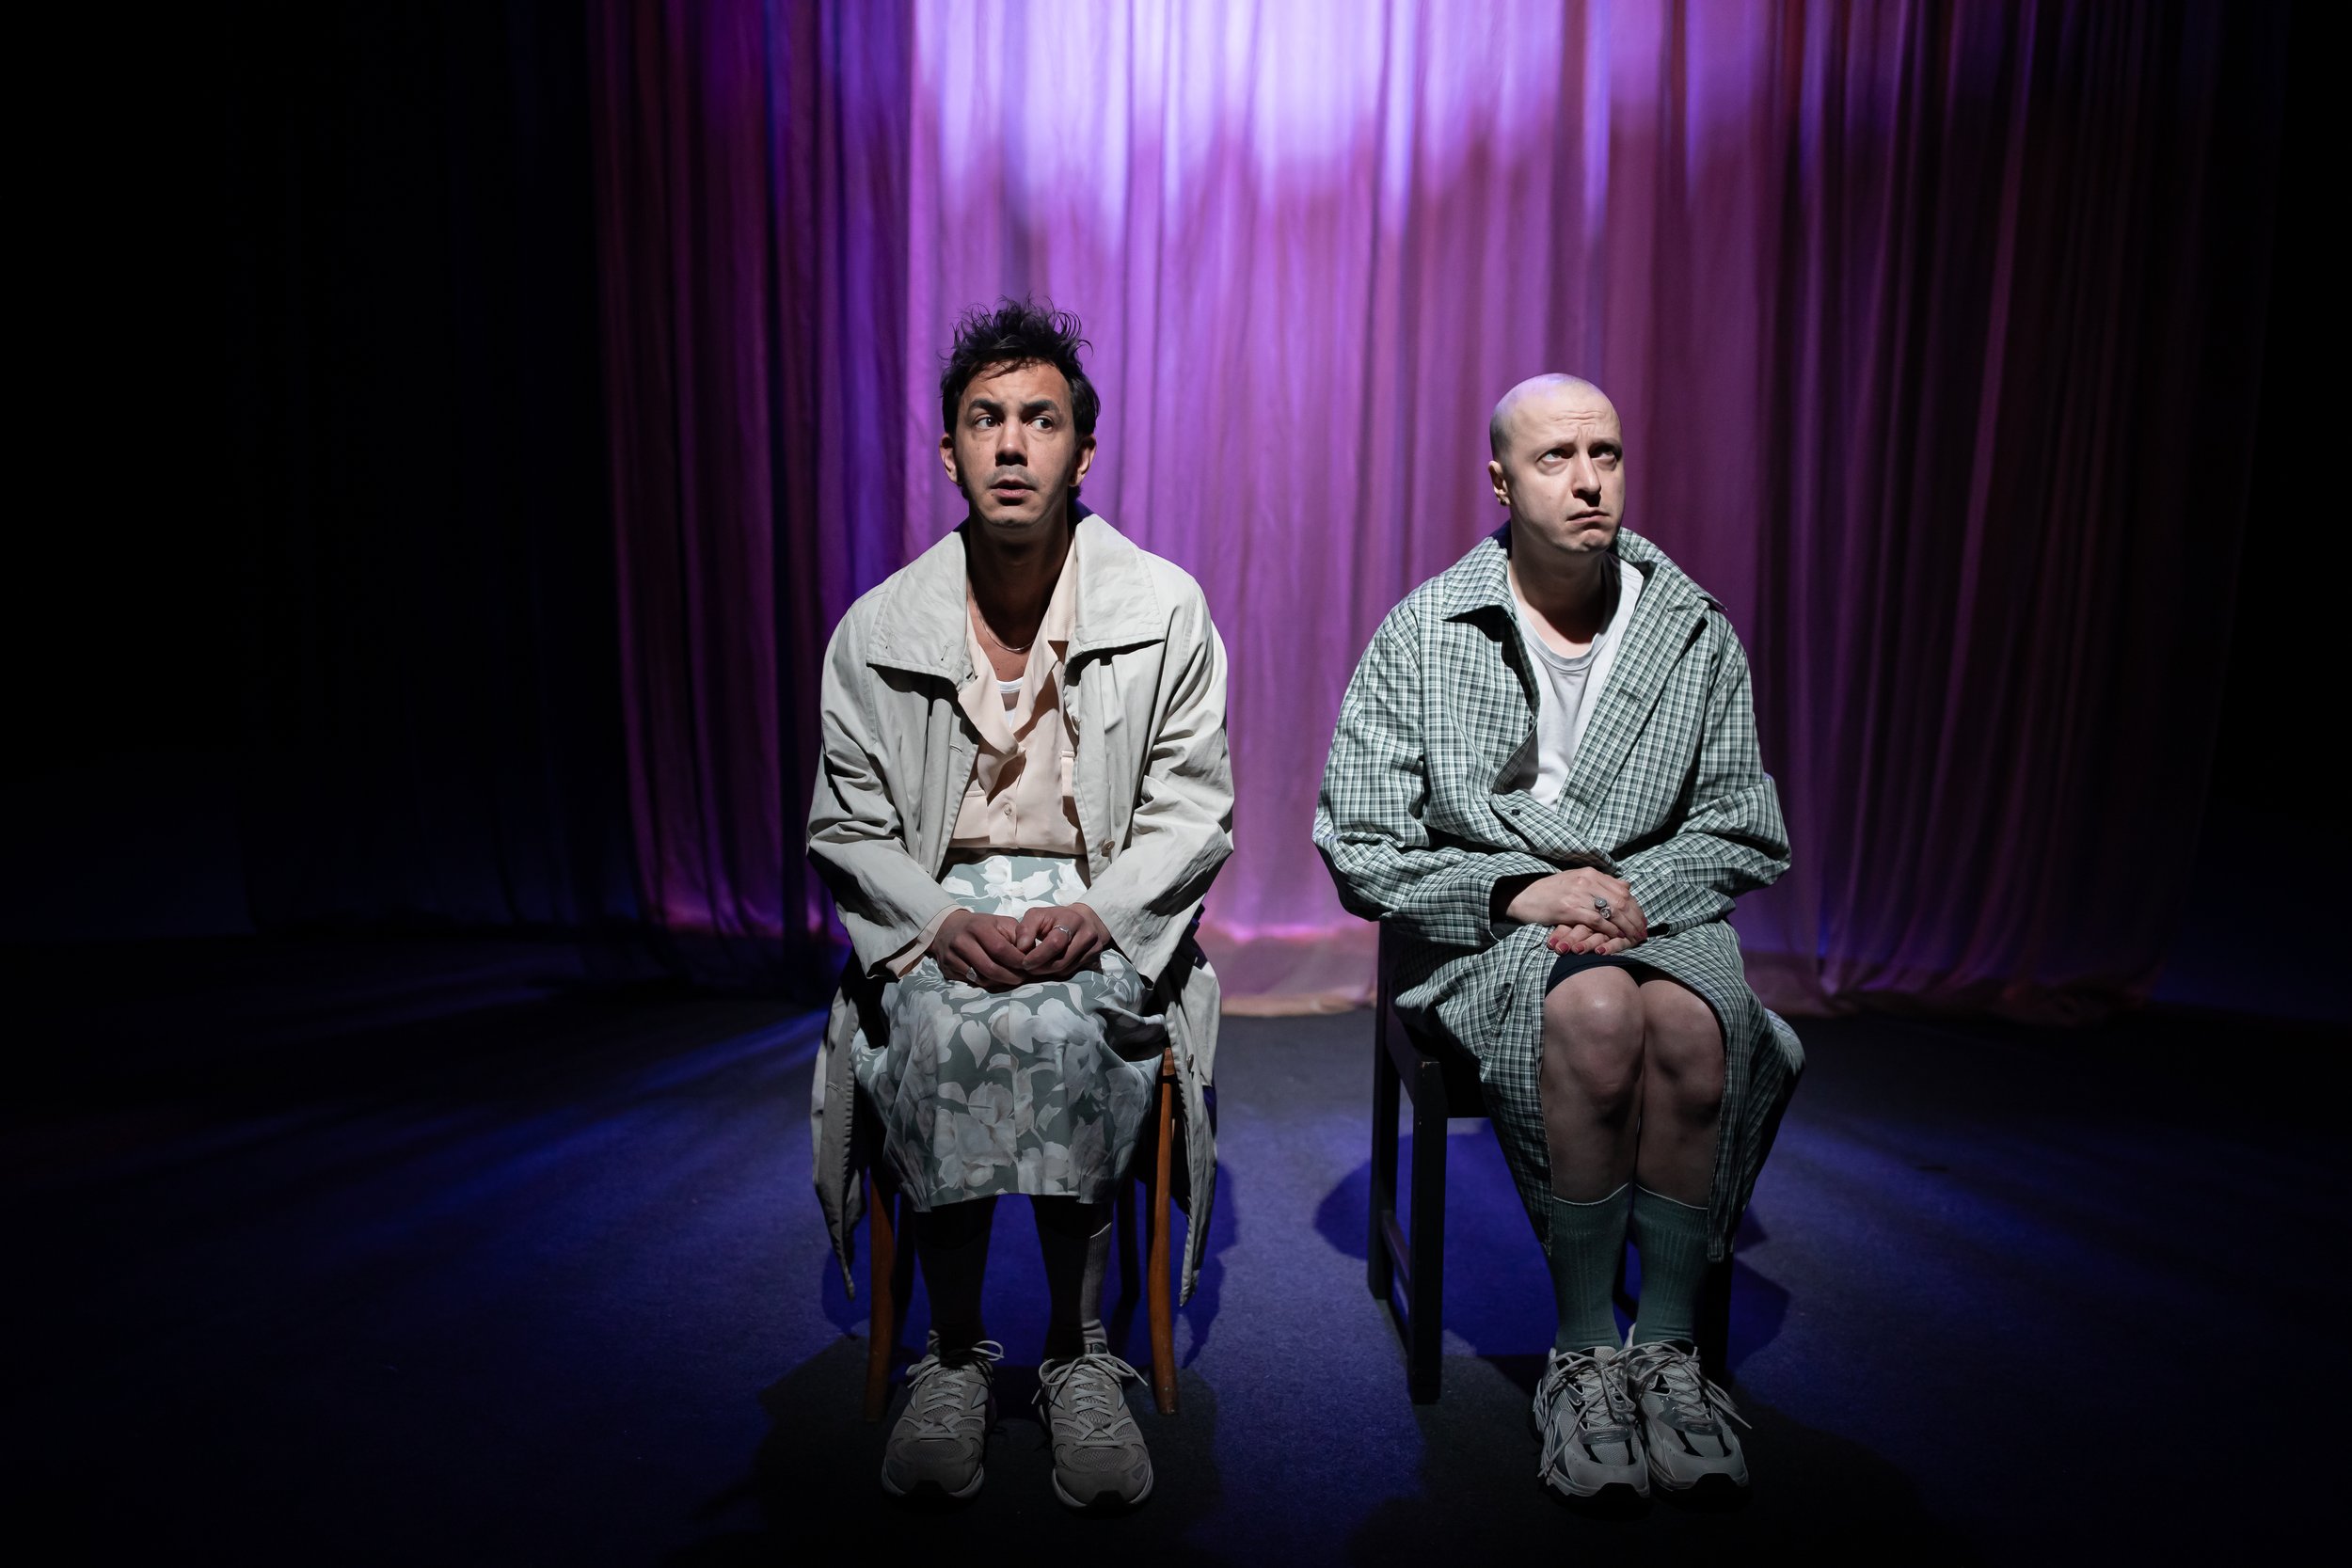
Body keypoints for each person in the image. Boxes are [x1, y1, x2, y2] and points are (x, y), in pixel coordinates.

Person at [1315, 373, 1801, 1506]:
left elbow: (1740, 817)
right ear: (1498, 479)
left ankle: (1668, 1350)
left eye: (1606, 453)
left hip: (1656, 911)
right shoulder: (1426, 632)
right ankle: (1584, 1352)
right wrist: (1518, 889)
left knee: (1690, 1022)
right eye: (1554, 458)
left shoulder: (1688, 626)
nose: (1588, 480)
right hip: (1492, 931)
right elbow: (1361, 845)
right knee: (1594, 1012)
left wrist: (1634, 889)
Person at [806, 300, 1232, 1513]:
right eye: (984, 420)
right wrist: (936, 922)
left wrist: (1099, 914)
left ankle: (1076, 1351)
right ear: (947, 451)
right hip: (938, 906)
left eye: (1038, 420)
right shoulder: (878, 629)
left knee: (1076, 1026)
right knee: (938, 1028)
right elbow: (848, 827)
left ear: (1081, 453)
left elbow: (1192, 809)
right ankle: (951, 1356)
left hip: (1101, 902)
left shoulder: (1163, 606)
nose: (1010, 445)